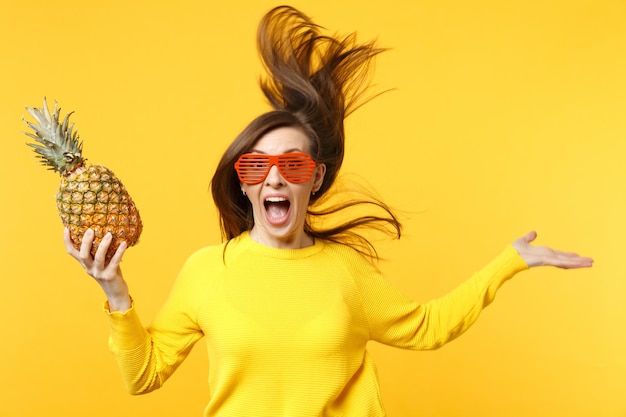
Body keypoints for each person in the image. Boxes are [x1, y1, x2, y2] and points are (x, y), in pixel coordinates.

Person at [64, 6, 593, 417]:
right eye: (256, 167)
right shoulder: (207, 270)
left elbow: (427, 326)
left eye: (293, 165)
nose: (274, 177)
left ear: (314, 179)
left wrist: (510, 261)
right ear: (244, 183)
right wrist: (114, 290)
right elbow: (144, 375)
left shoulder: (346, 272)